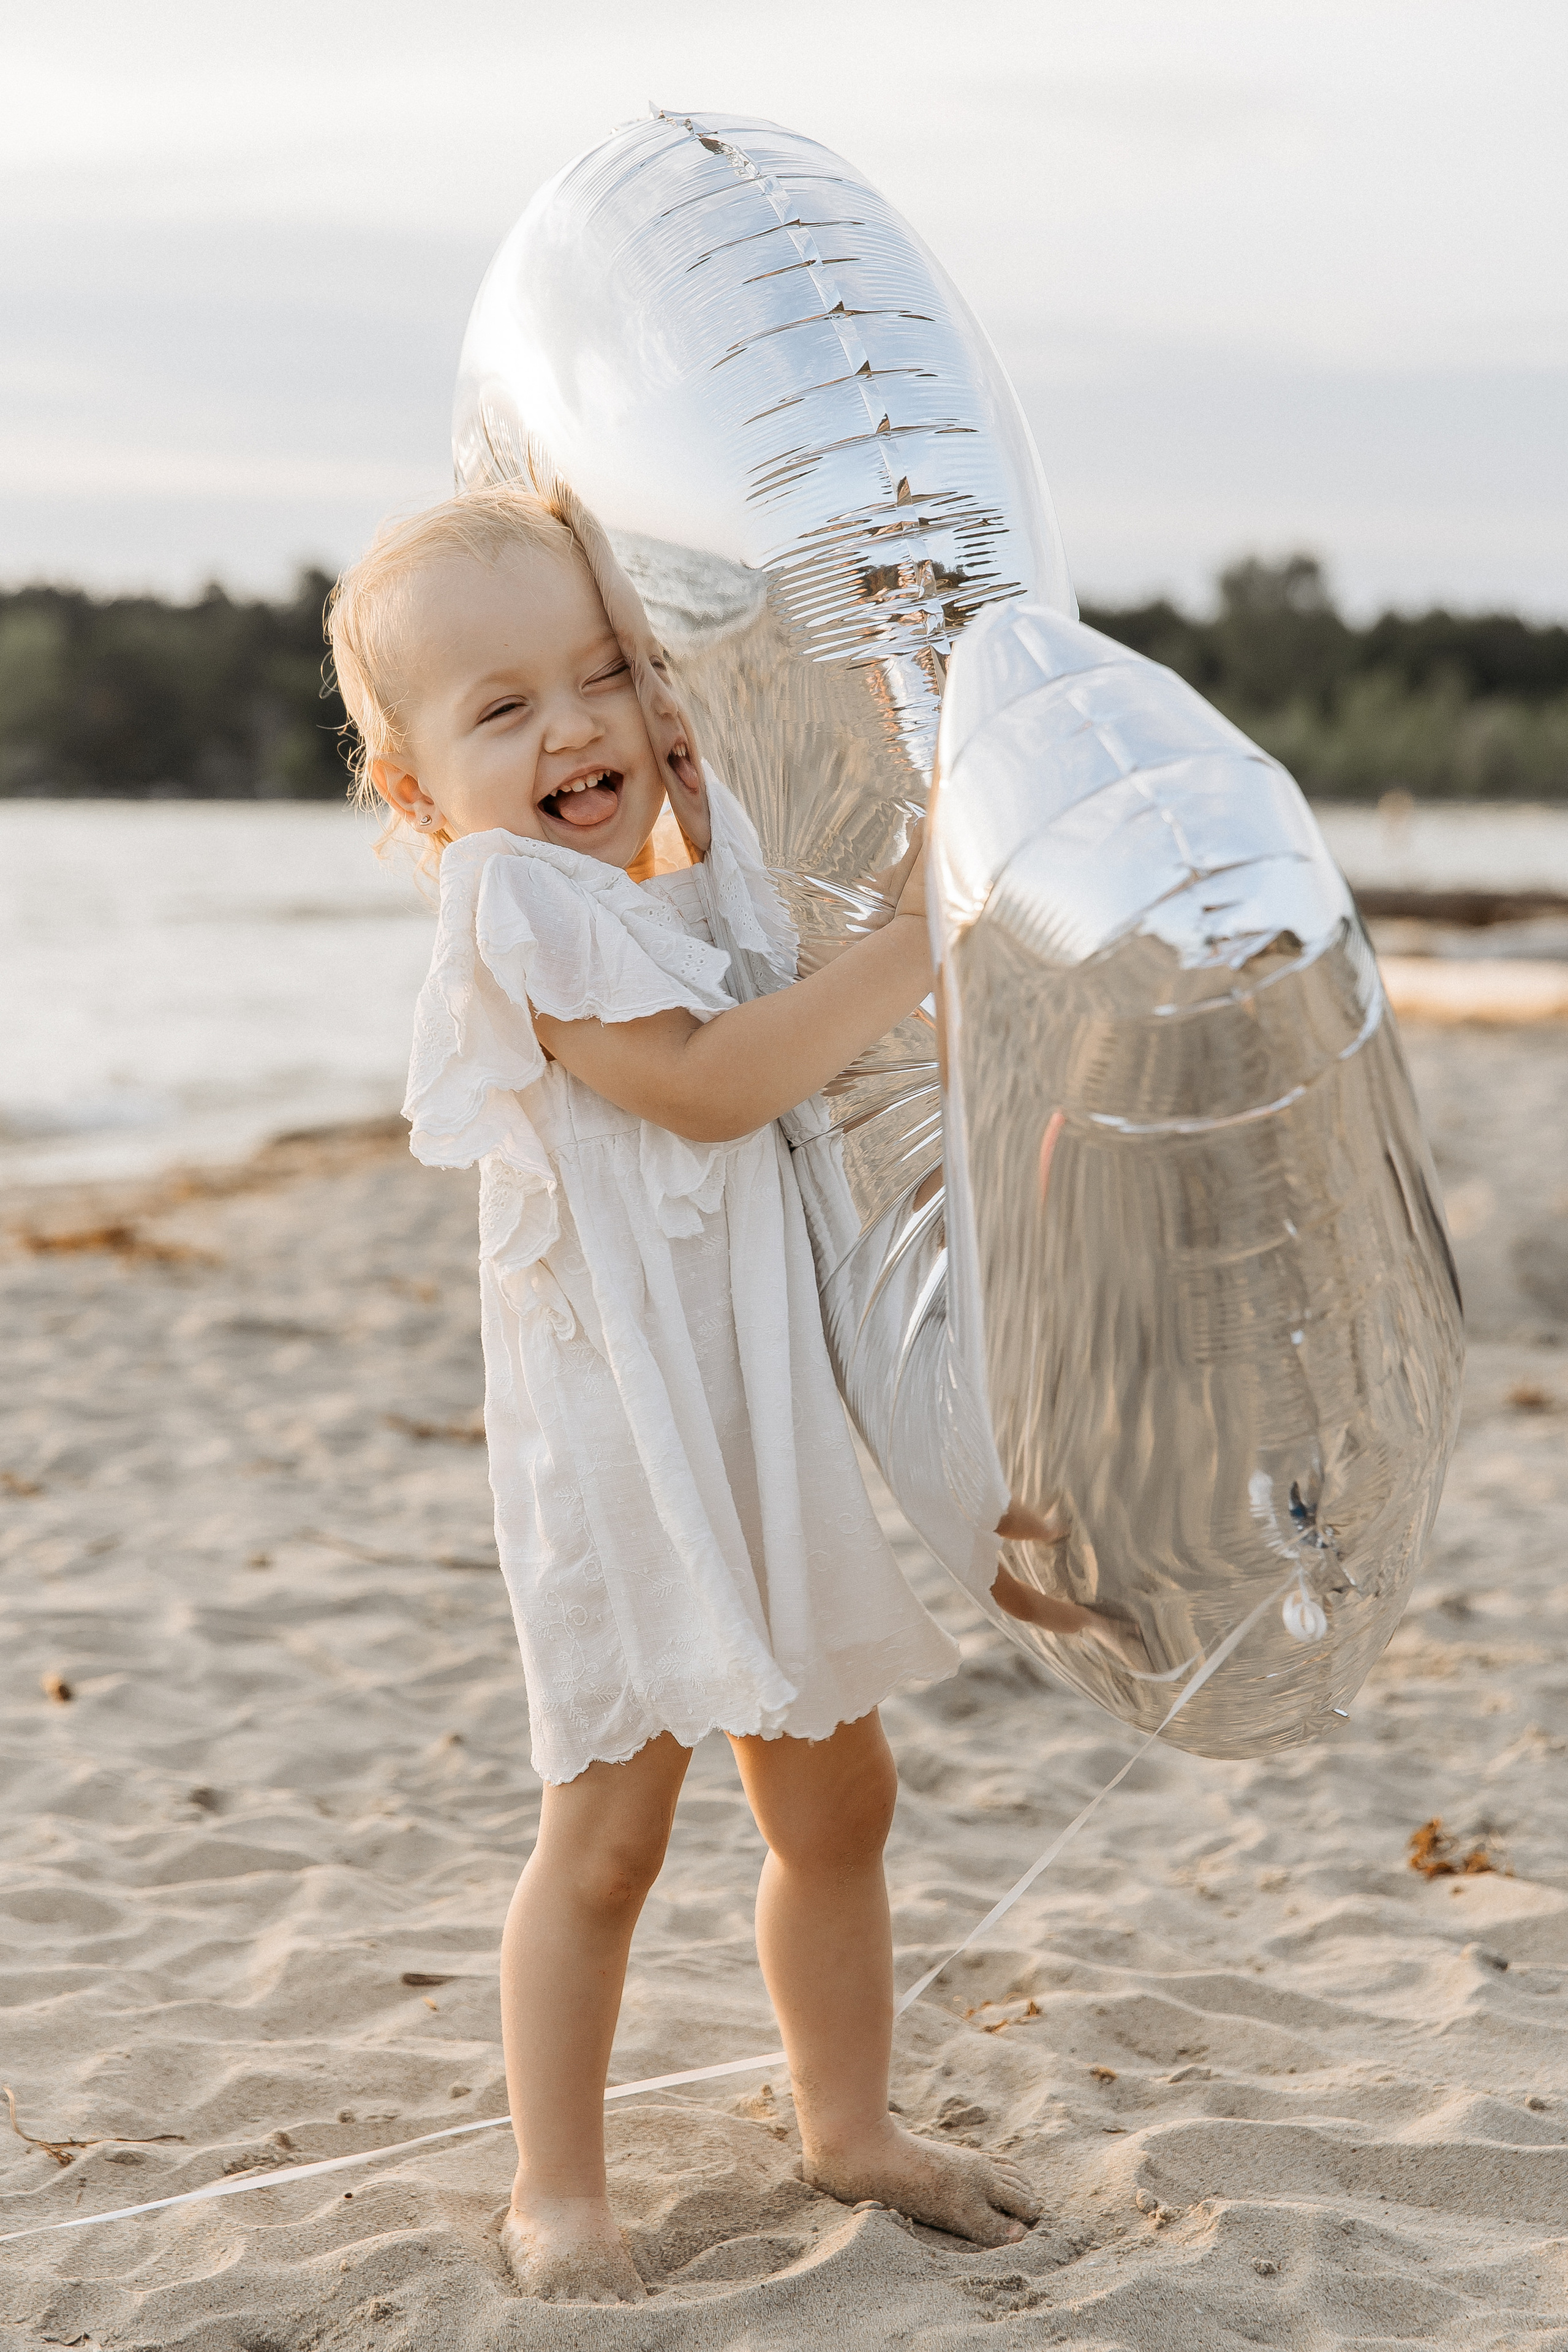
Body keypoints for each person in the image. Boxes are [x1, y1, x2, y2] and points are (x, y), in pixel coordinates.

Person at [326, 482, 1120, 2304]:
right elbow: (708, 1085)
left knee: (838, 1806)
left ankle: (847, 2123)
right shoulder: (515, 907)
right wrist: (904, 945)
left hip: (755, 1418)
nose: (575, 725)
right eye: (503, 707)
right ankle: (559, 2187)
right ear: (416, 792)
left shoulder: (665, 897)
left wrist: (743, 775)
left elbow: (771, 976)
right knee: (607, 1837)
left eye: (603, 673)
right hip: (629, 1446)